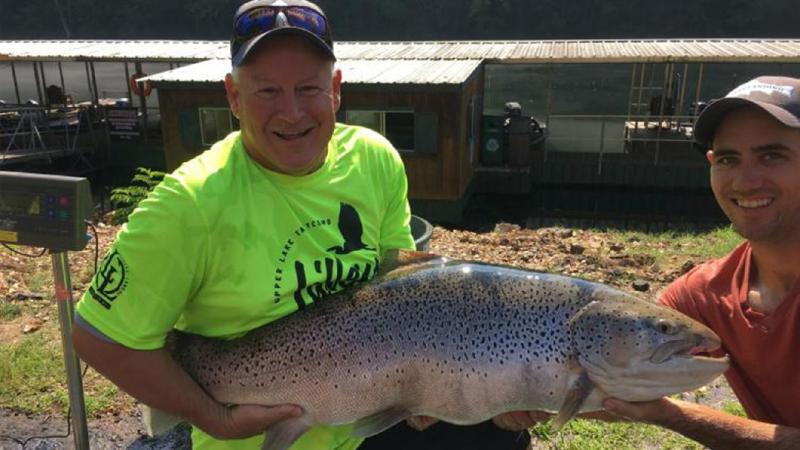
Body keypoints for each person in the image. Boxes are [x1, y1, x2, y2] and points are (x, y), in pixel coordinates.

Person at [72, 1, 529, 449]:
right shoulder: (188, 204)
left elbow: (401, 287)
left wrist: (455, 392)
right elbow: (98, 337)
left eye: (308, 89)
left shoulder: (375, 160)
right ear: (233, 95)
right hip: (263, 439)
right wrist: (217, 420)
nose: (291, 112)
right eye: (267, 91)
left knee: (499, 433)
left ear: (336, 88)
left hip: (364, 419)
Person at [496, 76, 800, 449]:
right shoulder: (702, 295)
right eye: (728, 159)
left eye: (772, 156)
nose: (746, 180)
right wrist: (526, 392)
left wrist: (672, 415)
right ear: (711, 164)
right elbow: (616, 374)